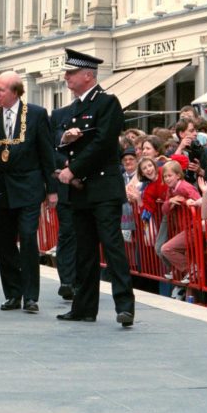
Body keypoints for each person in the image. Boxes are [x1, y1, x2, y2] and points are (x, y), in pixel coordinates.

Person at [56, 48, 135, 326]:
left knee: (112, 248)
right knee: (84, 251)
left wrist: (73, 169)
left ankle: (125, 306)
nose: (66, 77)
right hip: (81, 190)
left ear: (87, 75)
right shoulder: (75, 107)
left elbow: (103, 144)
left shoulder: (107, 103)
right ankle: (84, 306)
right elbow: (67, 143)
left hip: (102, 187)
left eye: (71, 72)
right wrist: (65, 148)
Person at [0, 71, 57, 314]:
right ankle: (12, 293)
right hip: (1, 188)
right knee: (3, 242)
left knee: (27, 238)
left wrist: (52, 189)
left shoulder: (36, 114)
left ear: (15, 92)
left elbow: (47, 152)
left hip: (28, 186)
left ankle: (31, 296)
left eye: (1, 90)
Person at [50, 101, 79, 301]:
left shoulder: (98, 111)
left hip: (88, 186)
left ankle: (81, 280)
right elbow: (49, 148)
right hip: (65, 188)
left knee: (85, 236)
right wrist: (65, 163)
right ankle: (67, 282)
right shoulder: (58, 115)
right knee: (67, 234)